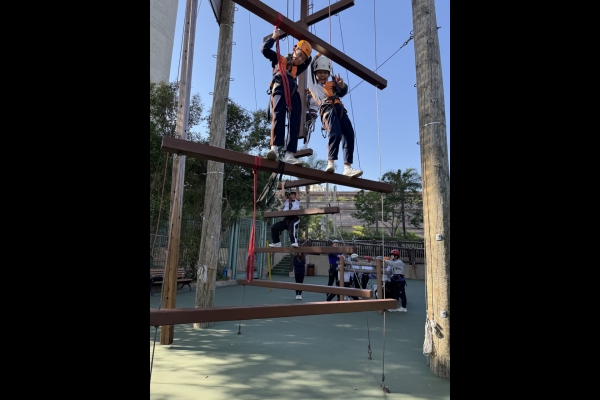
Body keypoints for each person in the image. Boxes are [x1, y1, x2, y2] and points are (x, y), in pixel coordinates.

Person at [306, 54, 363, 178]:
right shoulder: (314, 85)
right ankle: (330, 162)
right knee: (335, 133)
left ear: (328, 73)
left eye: (325, 72)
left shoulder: (332, 83)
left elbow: (342, 92)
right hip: (327, 109)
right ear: (315, 73)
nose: (322, 75)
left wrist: (341, 85)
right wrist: (318, 54)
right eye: (319, 72)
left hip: (340, 109)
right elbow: (310, 66)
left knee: (349, 134)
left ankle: (347, 167)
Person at [261, 29, 312, 165]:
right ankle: (274, 148)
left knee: (295, 119)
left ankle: (289, 153)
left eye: (302, 58)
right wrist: (273, 38)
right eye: (299, 55)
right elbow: (264, 50)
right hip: (280, 86)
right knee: (279, 114)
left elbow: (309, 60)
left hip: (292, 90)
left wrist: (305, 47)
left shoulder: (297, 69)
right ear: (294, 49)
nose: (299, 59)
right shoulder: (280, 59)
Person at [269, 182, 301, 248]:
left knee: (292, 225)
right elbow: (283, 195)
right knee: (274, 227)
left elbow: (298, 193)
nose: (292, 195)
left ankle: (294, 242)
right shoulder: (286, 202)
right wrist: (283, 185)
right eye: (291, 194)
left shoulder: (297, 201)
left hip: (294, 219)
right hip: (287, 219)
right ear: (289, 195)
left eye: (294, 194)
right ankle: (276, 242)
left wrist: (297, 185)